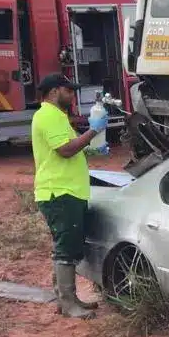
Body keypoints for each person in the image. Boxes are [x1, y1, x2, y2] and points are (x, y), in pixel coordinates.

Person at [31, 73, 108, 319]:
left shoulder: (56, 116)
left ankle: (68, 300)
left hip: (66, 191)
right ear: (54, 92)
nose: (73, 95)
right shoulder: (48, 115)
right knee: (66, 247)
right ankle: (67, 303)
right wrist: (93, 132)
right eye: (69, 90)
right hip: (59, 192)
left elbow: (73, 149)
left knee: (69, 245)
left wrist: (92, 148)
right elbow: (65, 150)